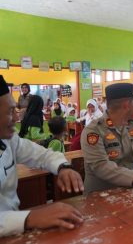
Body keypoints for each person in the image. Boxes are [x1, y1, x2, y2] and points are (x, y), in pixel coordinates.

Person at [0, 75, 84, 237]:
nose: (17, 118)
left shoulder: (9, 140)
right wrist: (30, 218)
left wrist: (63, 167)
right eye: (10, 112)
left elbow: (41, 155)